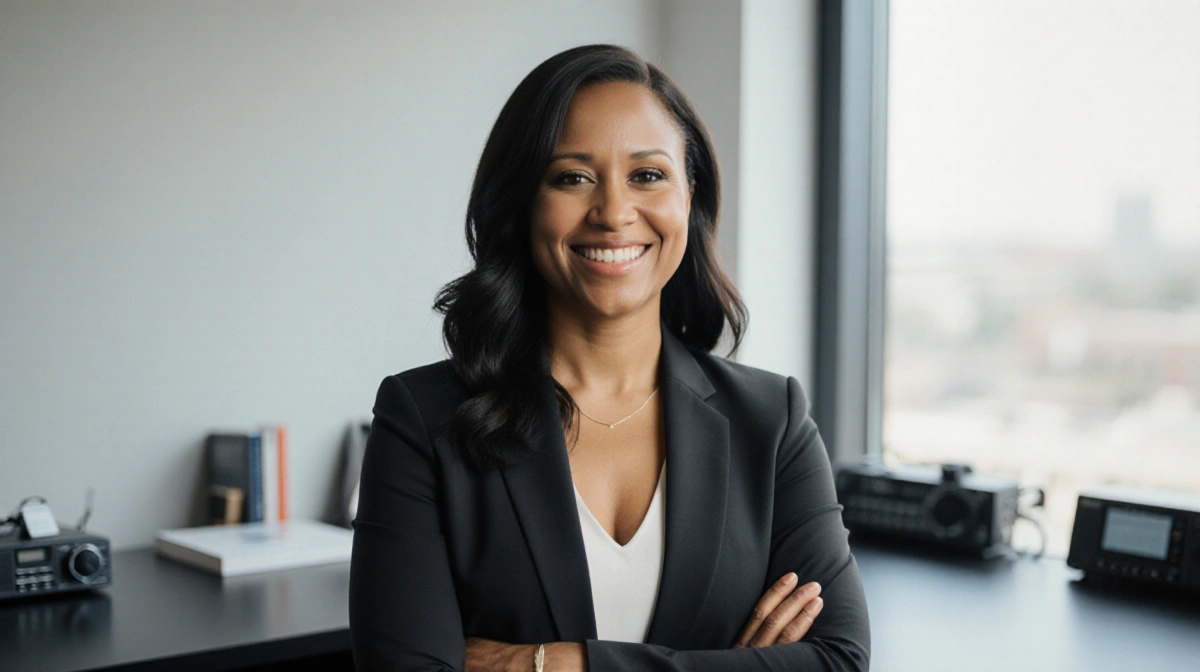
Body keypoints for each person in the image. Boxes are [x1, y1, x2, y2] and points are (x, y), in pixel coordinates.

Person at [349, 44, 870, 672]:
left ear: (689, 196)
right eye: (572, 177)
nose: (614, 213)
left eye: (647, 175)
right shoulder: (422, 419)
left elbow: (838, 660)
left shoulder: (772, 418)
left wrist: (557, 663)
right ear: (523, 202)